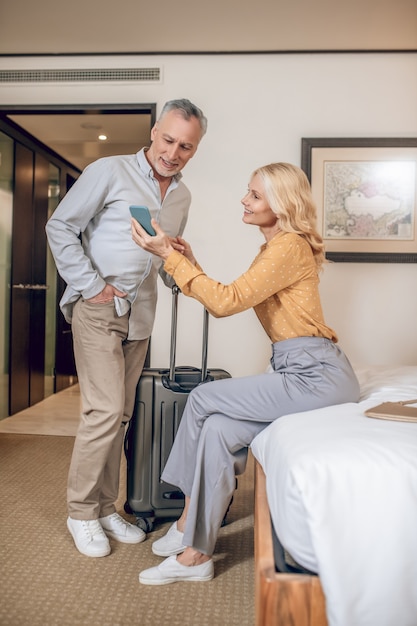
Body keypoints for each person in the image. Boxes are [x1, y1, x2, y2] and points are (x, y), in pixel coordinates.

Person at [130, 161, 360, 584]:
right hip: (299, 369)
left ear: (281, 203)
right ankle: (197, 554)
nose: (244, 199)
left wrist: (168, 256)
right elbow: (231, 294)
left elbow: (225, 302)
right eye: (248, 191)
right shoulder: (275, 249)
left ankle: (184, 521)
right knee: (217, 429)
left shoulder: (289, 245)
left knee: (202, 398)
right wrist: (189, 261)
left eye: (255, 194)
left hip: (314, 374)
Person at [45, 98, 208, 558]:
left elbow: (165, 258)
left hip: (142, 315)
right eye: (170, 140)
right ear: (155, 132)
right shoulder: (109, 171)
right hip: (99, 309)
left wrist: (184, 263)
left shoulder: (181, 196)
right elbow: (60, 228)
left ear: (195, 150)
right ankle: (80, 512)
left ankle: (104, 506)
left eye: (187, 147)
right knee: (103, 410)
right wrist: (92, 286)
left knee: (121, 415)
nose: (174, 153)